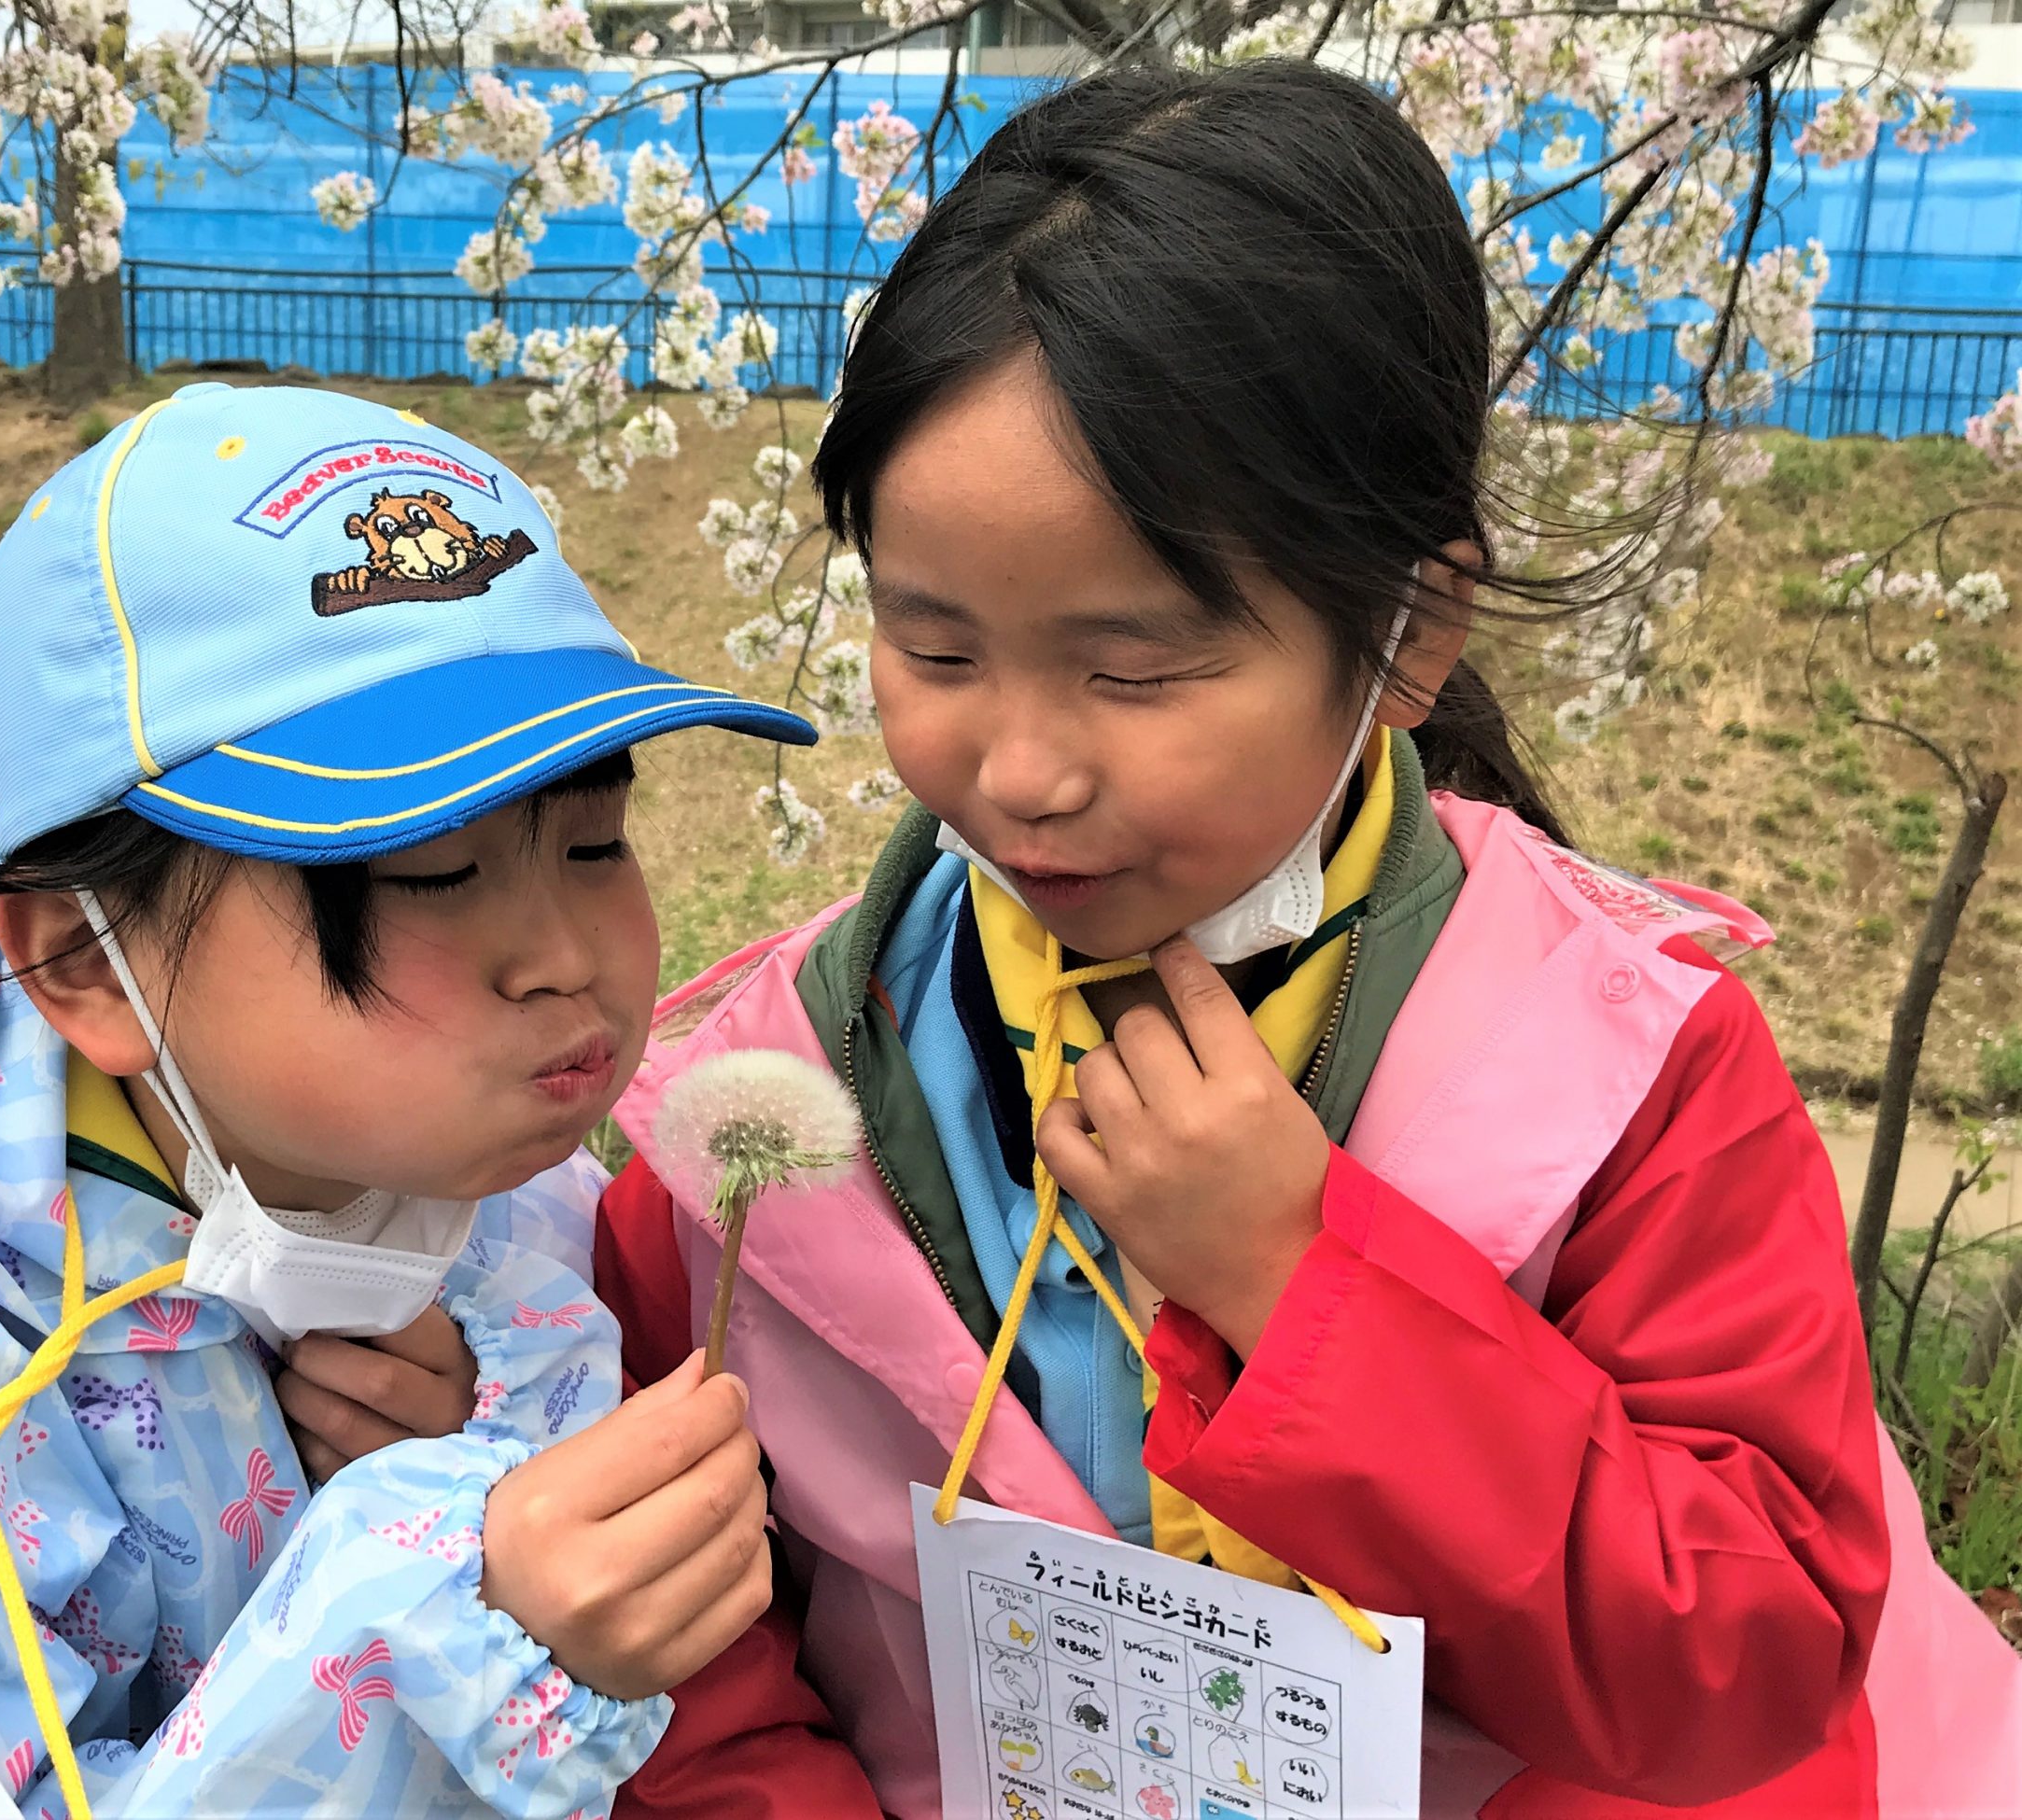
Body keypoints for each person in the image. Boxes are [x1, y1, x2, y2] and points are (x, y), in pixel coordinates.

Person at [594, 60, 2022, 1819]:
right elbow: (707, 1672)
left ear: (1409, 631)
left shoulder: (1628, 1070)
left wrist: (1303, 1284)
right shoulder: (759, 1105)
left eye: (1135, 667)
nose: (1021, 771)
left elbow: (1754, 1659)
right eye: (936, 650)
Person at [0, 384, 816, 1816]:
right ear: (85, 961)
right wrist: (445, 1608)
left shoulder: (468, 1165)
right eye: (429, 874)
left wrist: (482, 1426)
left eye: (593, 838)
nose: (566, 959)